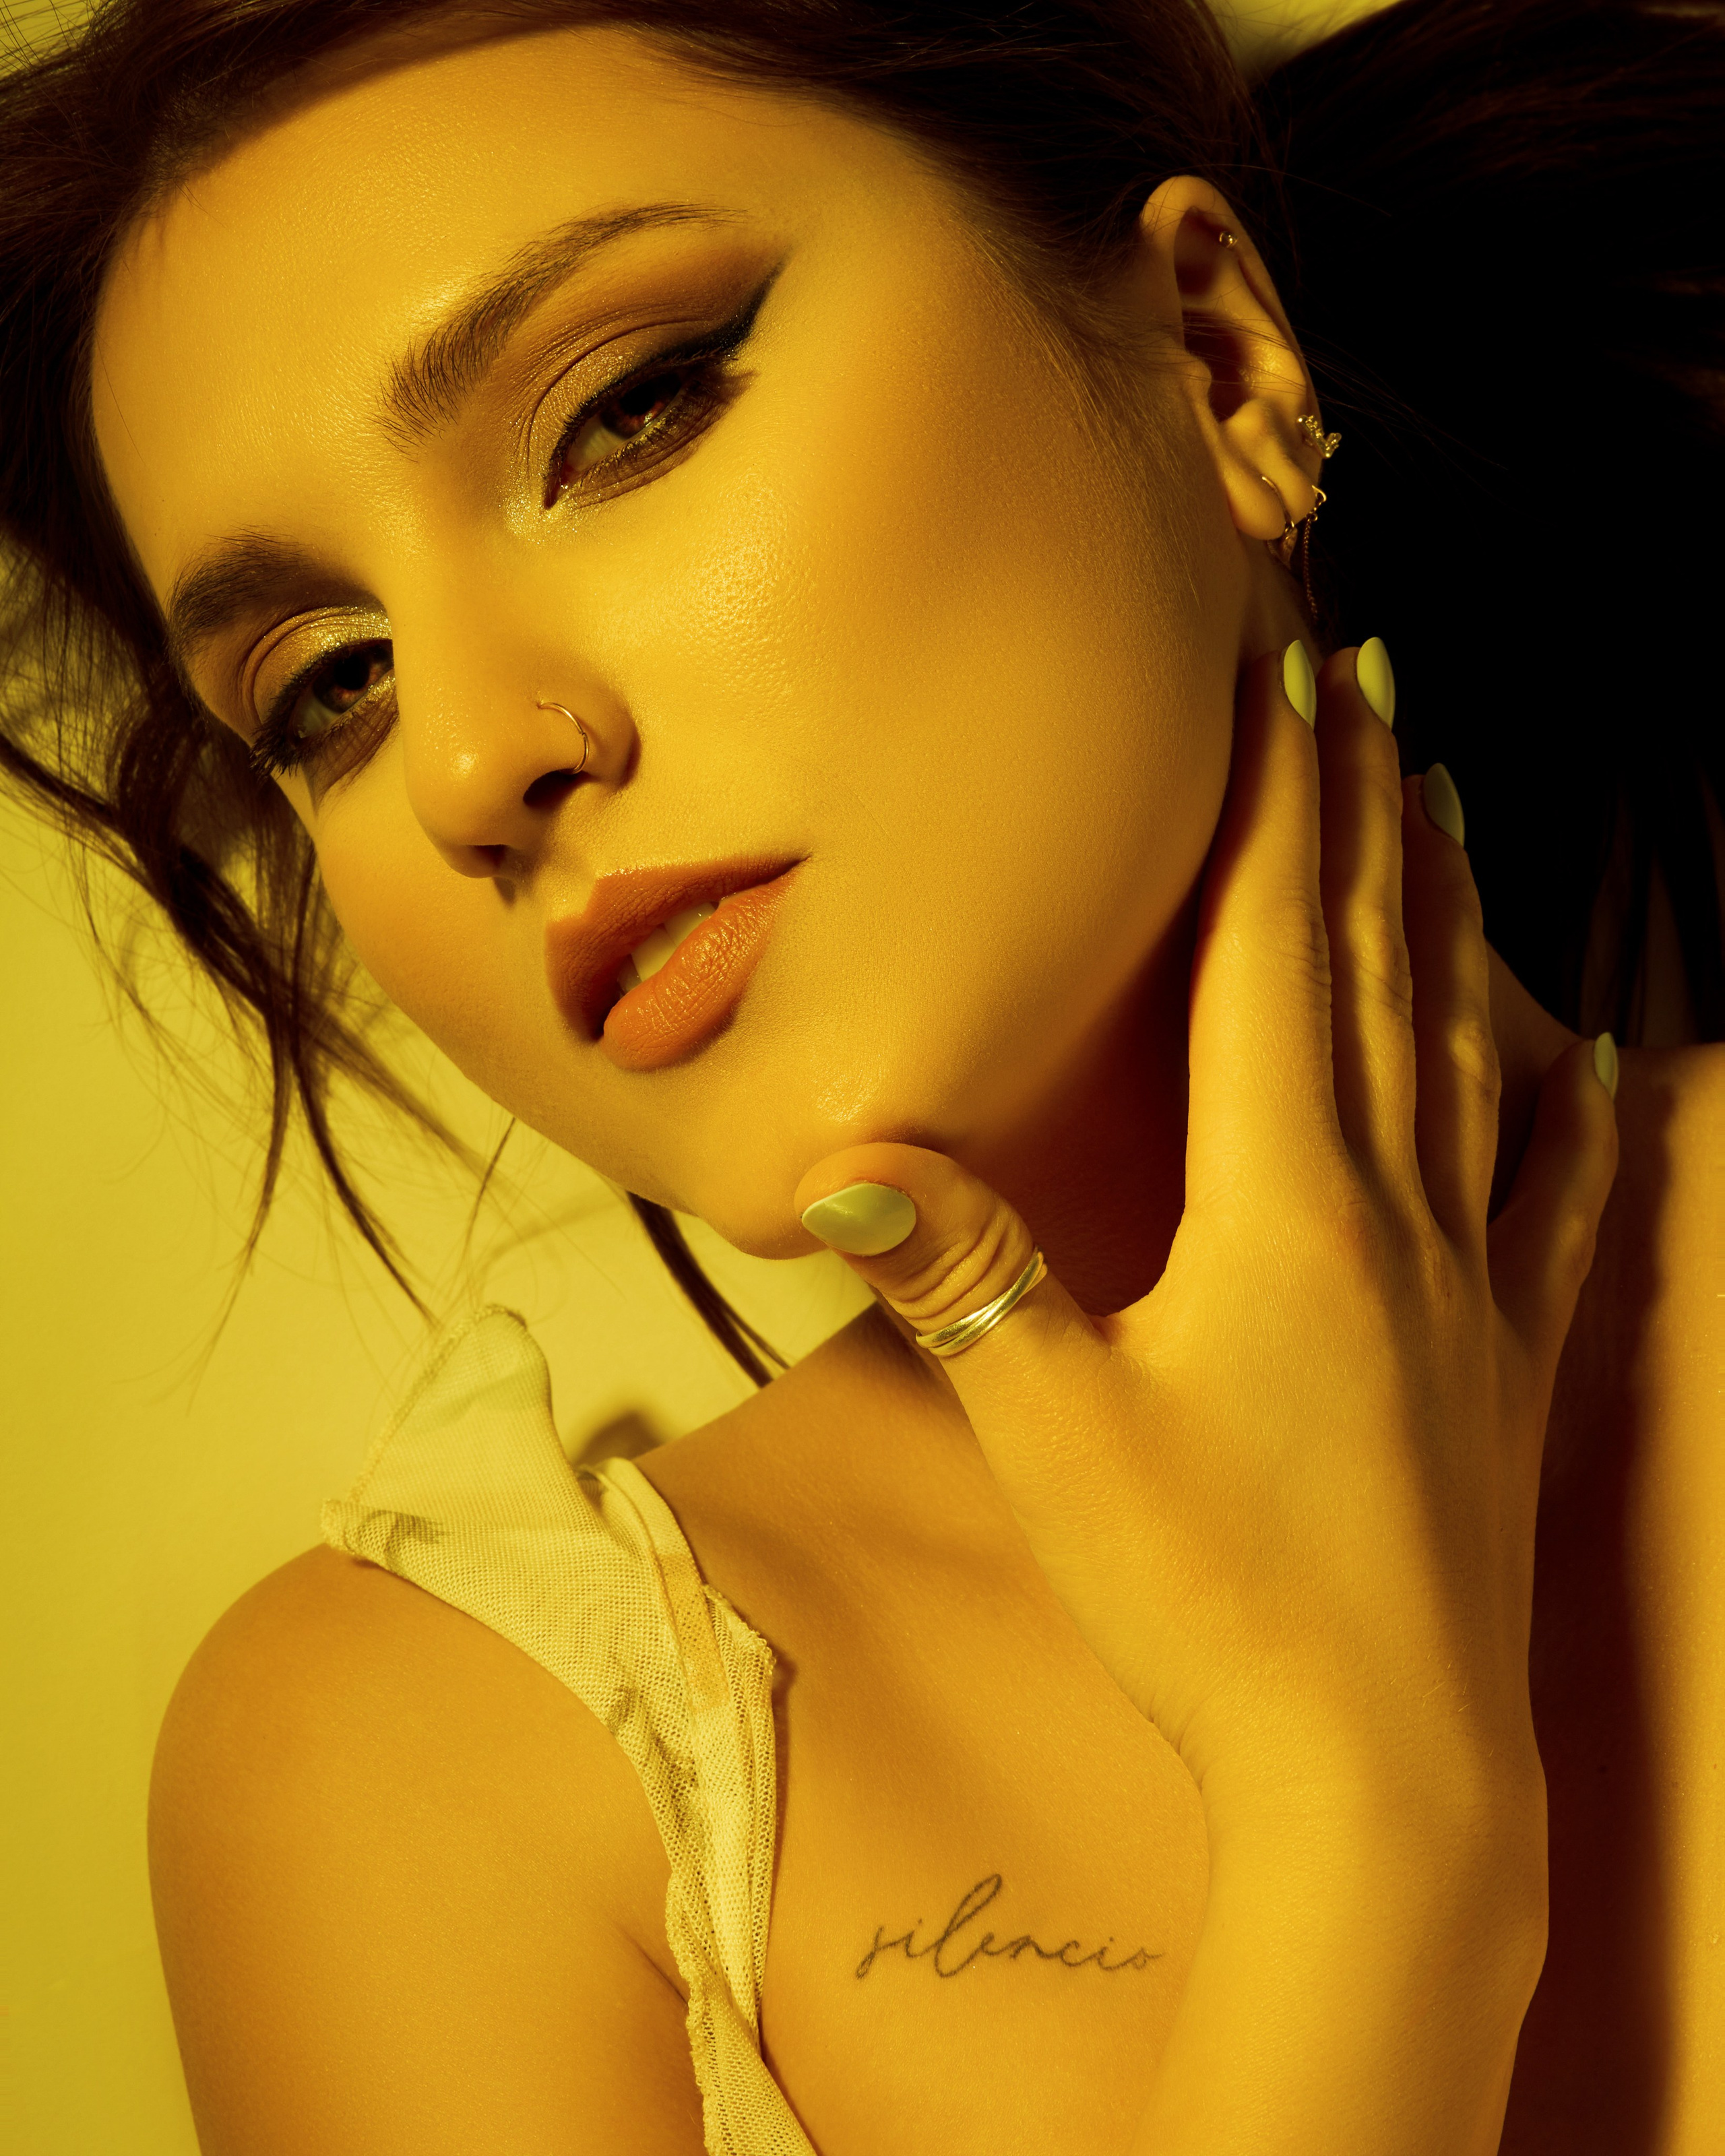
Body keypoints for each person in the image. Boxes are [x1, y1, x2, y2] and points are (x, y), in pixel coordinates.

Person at [1, 1, 1719, 2149]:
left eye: (624, 415)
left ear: (1214, 358)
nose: (466, 762)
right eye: (329, 686)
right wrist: (1368, 1820)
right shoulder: (438, 1777)